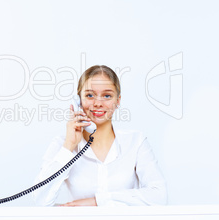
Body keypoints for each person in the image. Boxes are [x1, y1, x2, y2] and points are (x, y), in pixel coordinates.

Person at [32, 65, 167, 207]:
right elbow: (41, 202)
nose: (97, 103)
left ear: (118, 101)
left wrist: (97, 202)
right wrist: (69, 146)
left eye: (107, 96)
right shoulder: (62, 143)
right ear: (78, 101)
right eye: (90, 95)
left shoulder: (135, 141)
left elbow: (159, 196)